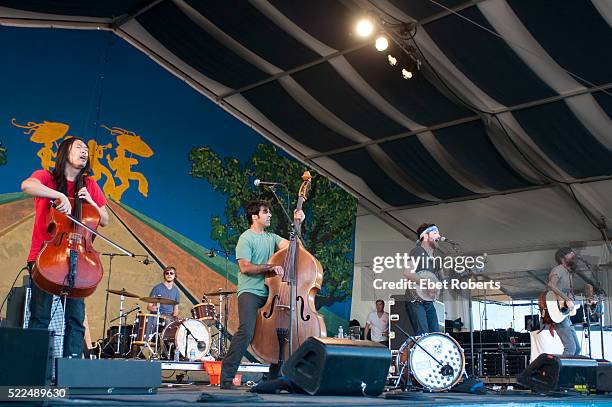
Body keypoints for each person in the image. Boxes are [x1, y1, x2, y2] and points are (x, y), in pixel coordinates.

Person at [21, 137, 109, 357]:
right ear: (65, 151)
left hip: (79, 260)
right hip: (46, 257)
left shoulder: (89, 184)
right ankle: (34, 370)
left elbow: (105, 219)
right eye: (79, 147)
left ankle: (70, 372)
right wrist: (59, 194)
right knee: (40, 317)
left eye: (87, 149)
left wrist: (90, 199)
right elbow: (27, 185)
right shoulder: (47, 177)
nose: (84, 151)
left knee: (76, 320)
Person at [220, 200, 304, 389]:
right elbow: (245, 267)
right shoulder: (246, 238)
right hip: (249, 291)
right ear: (254, 216)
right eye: (266, 212)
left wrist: (298, 222)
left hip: (269, 294)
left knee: (279, 334)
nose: (270, 215)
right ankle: (226, 379)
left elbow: (295, 248)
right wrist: (271, 267)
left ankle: (275, 380)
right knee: (246, 332)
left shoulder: (271, 237)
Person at [547, 247, 591, 356]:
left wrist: (587, 299)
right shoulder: (558, 269)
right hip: (558, 312)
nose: (573, 257)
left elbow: (568, 295)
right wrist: (567, 299)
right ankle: (563, 373)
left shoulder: (568, 272)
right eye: (571, 255)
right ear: (562, 258)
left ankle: (571, 372)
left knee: (577, 349)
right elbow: (551, 285)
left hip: (564, 314)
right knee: (571, 348)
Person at [402, 223, 445, 335]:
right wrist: (427, 283)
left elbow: (442, 281)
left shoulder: (436, 259)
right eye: (435, 233)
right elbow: (407, 272)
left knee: (436, 336)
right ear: (425, 236)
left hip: (428, 302)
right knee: (423, 337)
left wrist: (461, 275)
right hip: (416, 301)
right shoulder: (417, 251)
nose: (439, 236)